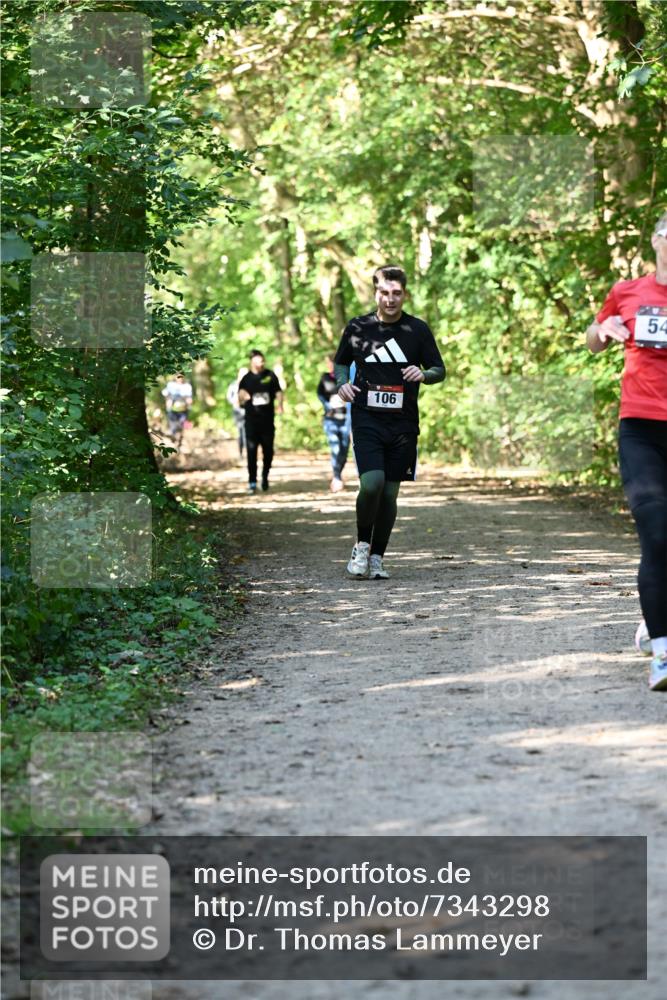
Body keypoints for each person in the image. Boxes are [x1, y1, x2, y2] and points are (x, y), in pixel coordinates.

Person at [586, 212, 667, 691]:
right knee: (657, 532)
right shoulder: (628, 290)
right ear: (658, 241)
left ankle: (655, 615)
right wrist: (606, 329)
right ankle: (662, 652)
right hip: (641, 428)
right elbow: (593, 340)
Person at [334, 265, 445, 579]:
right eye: (385, 292)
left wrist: (424, 374)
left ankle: (378, 557)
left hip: (404, 424)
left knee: (390, 494)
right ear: (375, 293)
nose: (390, 299)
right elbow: (341, 362)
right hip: (367, 417)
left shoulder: (417, 330)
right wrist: (342, 383)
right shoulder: (358, 327)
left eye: (397, 293)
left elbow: (439, 369)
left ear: (404, 294)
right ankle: (361, 546)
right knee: (372, 484)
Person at [238, 350, 283, 494]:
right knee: (251, 451)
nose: (261, 363)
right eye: (258, 361)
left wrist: (280, 404)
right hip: (251, 421)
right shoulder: (246, 378)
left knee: (268, 451)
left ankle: (265, 476)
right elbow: (239, 396)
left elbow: (278, 391)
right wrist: (242, 397)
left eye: (262, 361)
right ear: (252, 362)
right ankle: (252, 481)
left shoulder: (270, 376)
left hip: (267, 422)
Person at [317, 356, 351, 492]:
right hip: (331, 418)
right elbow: (320, 394)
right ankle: (337, 478)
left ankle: (338, 475)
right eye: (328, 363)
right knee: (335, 447)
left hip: (345, 419)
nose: (329, 365)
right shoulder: (325, 378)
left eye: (331, 363)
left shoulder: (347, 377)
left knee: (343, 449)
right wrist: (328, 405)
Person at [162, 372, 193, 444]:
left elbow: (189, 398)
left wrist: (189, 402)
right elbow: (165, 393)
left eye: (181, 377)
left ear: (183, 377)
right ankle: (173, 439)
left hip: (183, 409)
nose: (180, 379)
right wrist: (168, 400)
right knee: (173, 425)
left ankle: (180, 439)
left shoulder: (187, 386)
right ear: (175, 377)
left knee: (182, 424)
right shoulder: (170, 385)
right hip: (172, 409)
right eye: (178, 377)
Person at [226, 367, 248, 460]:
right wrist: (234, 401)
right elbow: (228, 397)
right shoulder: (233, 385)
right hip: (238, 411)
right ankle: (240, 453)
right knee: (241, 432)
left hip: (249, 411)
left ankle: (249, 454)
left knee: (248, 432)